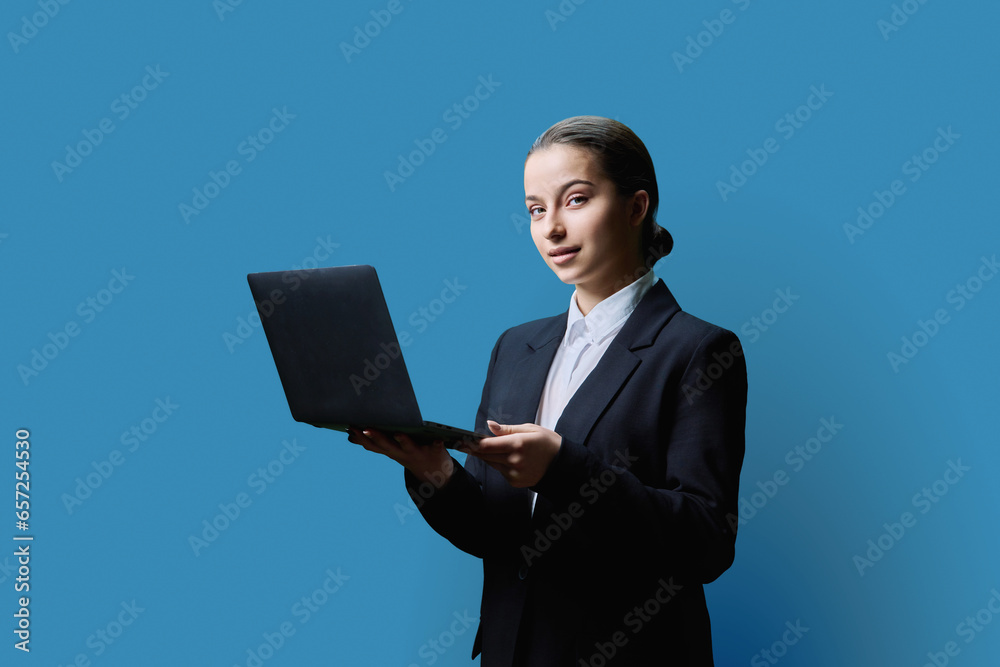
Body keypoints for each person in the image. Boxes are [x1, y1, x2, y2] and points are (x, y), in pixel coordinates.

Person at [348, 116, 748, 666]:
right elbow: (500, 535)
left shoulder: (699, 350)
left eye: (576, 199)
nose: (552, 228)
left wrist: (564, 469)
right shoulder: (516, 348)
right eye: (536, 209)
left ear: (636, 207)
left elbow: (705, 542)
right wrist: (434, 471)